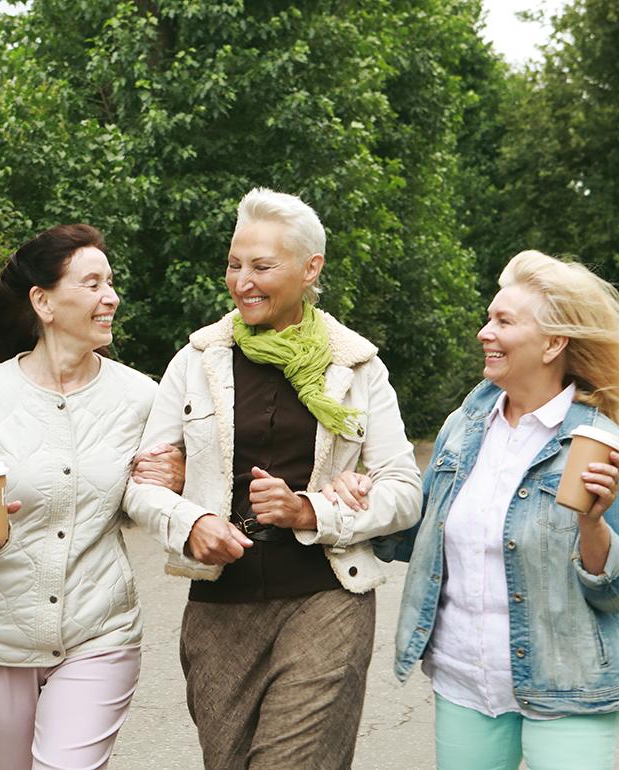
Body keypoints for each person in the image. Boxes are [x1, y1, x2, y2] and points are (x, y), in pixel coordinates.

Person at [123, 188, 423, 769]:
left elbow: (403, 490)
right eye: (235, 265)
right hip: (219, 608)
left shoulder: (356, 365)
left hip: (325, 598)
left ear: (311, 269)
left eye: (262, 266)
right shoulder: (196, 359)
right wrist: (192, 523)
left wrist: (311, 511)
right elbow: (142, 482)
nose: (243, 282)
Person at [341, 250, 619, 769]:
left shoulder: (599, 442)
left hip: (568, 686)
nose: (485, 332)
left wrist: (591, 523)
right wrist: (368, 497)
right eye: (489, 317)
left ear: (553, 343)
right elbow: (420, 535)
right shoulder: (464, 425)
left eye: (503, 321)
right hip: (466, 679)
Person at [0, 224, 183, 770]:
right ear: (42, 301)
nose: (111, 297)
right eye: (92, 284)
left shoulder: (140, 396)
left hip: (100, 633)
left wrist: (174, 476)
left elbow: (154, 491)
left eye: (110, 283)